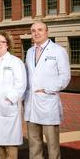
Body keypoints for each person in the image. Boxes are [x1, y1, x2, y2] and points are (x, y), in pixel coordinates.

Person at [24, 22, 70, 159]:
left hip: (48, 103)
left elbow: (65, 76)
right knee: (34, 144)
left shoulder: (58, 50)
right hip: (31, 103)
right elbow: (28, 75)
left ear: (47, 32)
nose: (36, 33)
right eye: (33, 31)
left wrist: (47, 90)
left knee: (52, 145)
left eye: (40, 30)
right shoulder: (30, 51)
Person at [0, 31, 27, 159]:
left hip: (8, 107)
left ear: (7, 45)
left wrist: (9, 99)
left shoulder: (15, 62)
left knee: (10, 145)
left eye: (2, 42)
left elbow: (21, 84)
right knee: (0, 145)